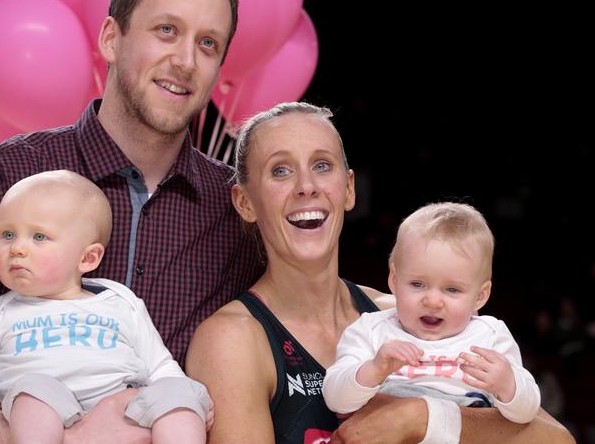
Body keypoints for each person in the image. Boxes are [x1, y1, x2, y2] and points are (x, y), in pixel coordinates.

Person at [0, 0, 263, 442]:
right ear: (111, 38)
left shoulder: (237, 213)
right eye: (165, 29)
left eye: (207, 43)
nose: (185, 60)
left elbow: (311, 311)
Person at [186, 102, 574, 444]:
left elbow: (556, 440)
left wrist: (418, 418)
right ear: (244, 202)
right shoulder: (232, 339)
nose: (307, 186)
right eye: (280, 171)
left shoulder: (404, 312)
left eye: (322, 165)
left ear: (349, 189)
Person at [0, 170, 212, 443]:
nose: (16, 248)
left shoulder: (119, 300)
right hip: (46, 406)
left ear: (88, 258)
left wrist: (182, 395)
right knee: (30, 391)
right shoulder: (2, 311)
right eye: (8, 234)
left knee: (180, 395)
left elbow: (160, 365)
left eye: (39, 237)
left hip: (126, 409)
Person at [323, 202, 540, 424]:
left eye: (452, 289)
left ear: (480, 296)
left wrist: (508, 385)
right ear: (394, 281)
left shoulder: (490, 336)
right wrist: (374, 369)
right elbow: (335, 400)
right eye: (417, 284)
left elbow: (528, 412)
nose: (433, 301)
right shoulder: (371, 330)